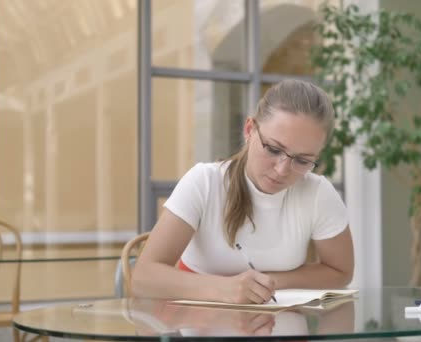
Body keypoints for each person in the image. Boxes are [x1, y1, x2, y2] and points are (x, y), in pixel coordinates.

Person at [131, 79, 354, 304]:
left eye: (303, 160)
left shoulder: (316, 193)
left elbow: (341, 272)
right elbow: (143, 279)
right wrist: (226, 289)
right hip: (201, 329)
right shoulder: (204, 182)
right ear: (249, 130)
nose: (282, 169)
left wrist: (267, 282)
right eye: (274, 149)